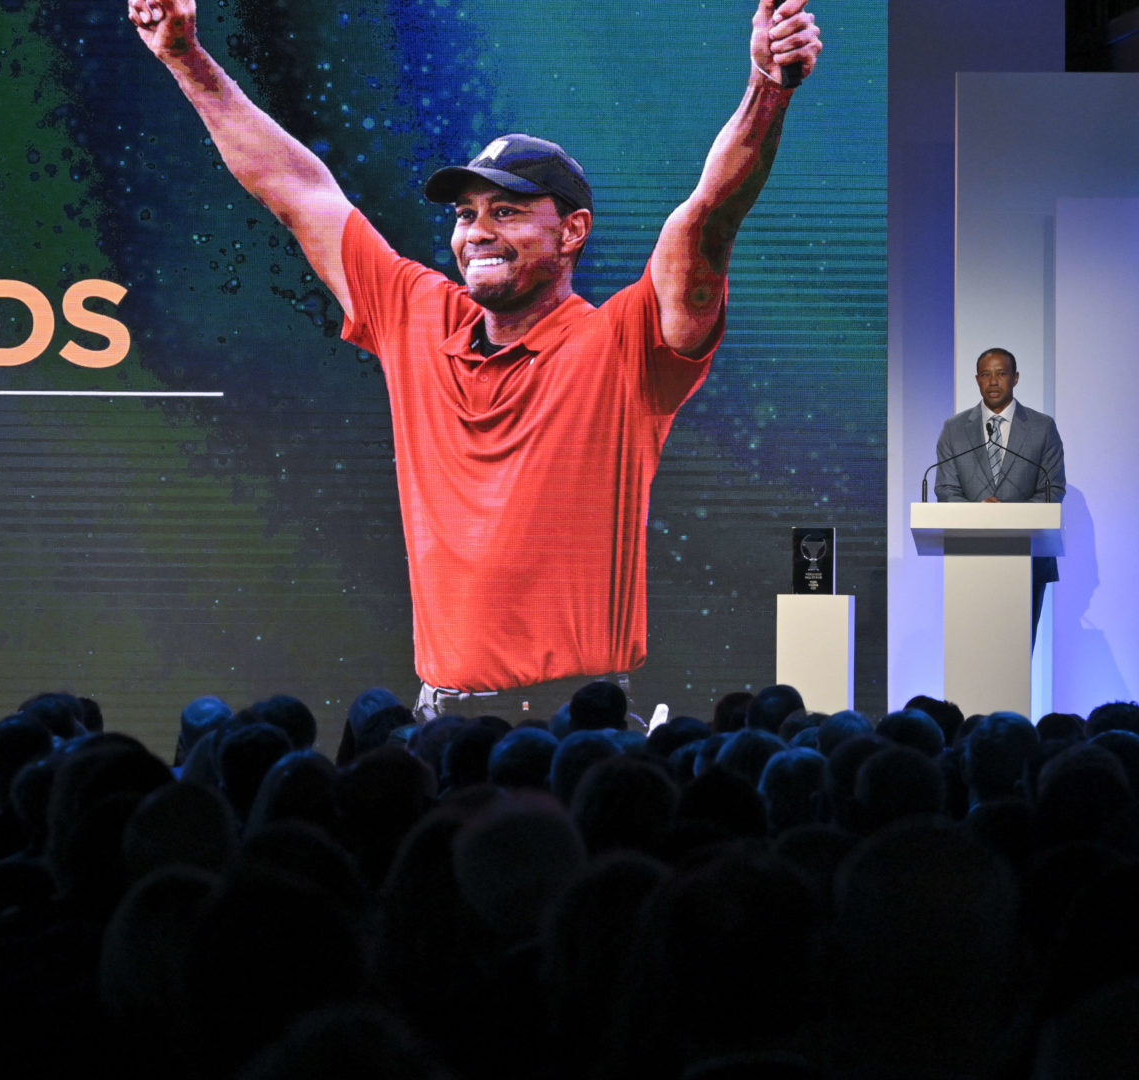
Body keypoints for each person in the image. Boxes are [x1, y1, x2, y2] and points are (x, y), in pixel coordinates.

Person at [129, 0, 823, 718]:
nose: (477, 232)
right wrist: (186, 57)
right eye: (465, 214)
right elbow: (297, 190)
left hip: (574, 732)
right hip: (442, 725)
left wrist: (767, 88)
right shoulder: (415, 315)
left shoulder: (626, 344)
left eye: (508, 211)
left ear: (573, 231)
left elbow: (710, 215)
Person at [933, 346, 1066, 630]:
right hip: (969, 558)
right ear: (977, 379)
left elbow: (1052, 490)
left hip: (1028, 560)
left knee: (1017, 656)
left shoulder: (1042, 428)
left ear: (1015, 378)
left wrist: (1006, 516)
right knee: (971, 653)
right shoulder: (954, 429)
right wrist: (980, 513)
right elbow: (945, 490)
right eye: (986, 374)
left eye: (1001, 373)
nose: (993, 381)